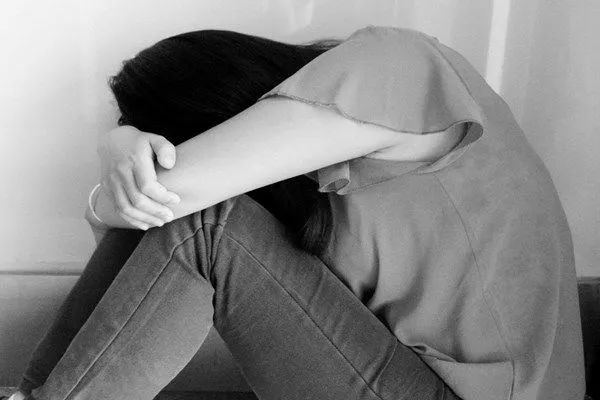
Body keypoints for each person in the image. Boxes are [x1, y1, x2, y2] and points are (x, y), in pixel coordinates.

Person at [6, 26, 585, 400]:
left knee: (197, 220)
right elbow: (140, 270)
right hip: (405, 378)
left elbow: (157, 203)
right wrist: (123, 160)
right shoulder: (317, 188)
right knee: (180, 216)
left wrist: (117, 147)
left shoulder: (398, 63)